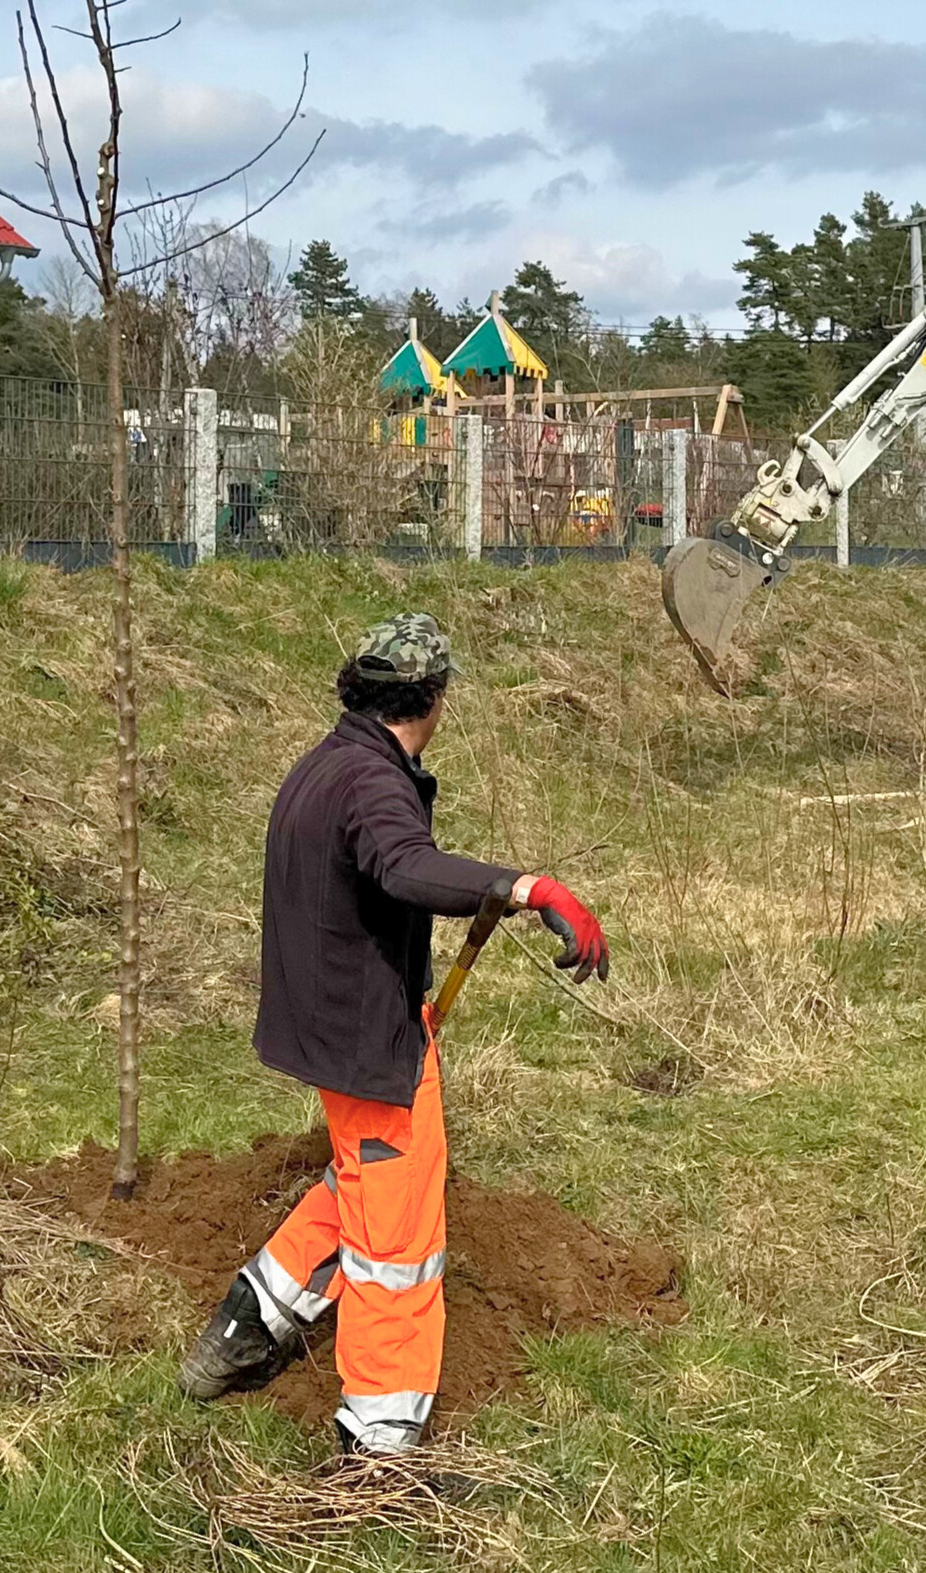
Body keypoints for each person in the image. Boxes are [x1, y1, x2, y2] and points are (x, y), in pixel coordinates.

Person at [177, 613, 610, 1455]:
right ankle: (379, 1446)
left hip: (332, 1025)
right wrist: (526, 887)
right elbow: (403, 865)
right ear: (435, 698)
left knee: (365, 1184)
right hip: (366, 1041)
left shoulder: (328, 763)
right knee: (399, 1240)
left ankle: (246, 1326)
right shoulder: (372, 784)